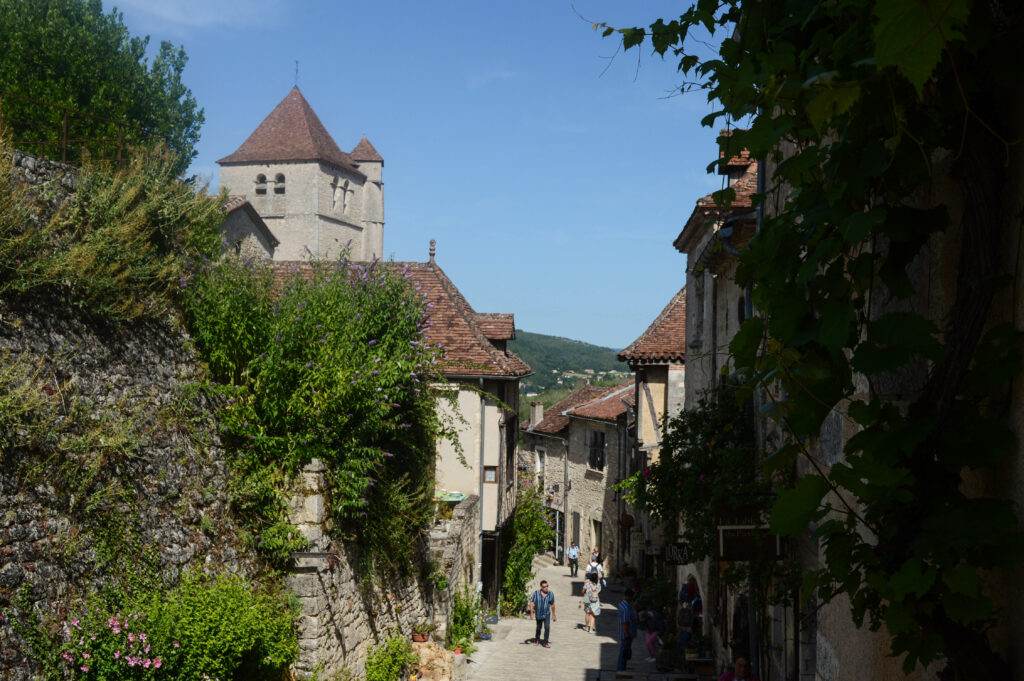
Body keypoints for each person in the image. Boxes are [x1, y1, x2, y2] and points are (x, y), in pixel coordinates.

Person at [528, 580, 557, 647]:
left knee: (547, 627)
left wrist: (553, 614)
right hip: (539, 613)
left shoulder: (550, 594)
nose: (546, 588)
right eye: (544, 587)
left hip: (547, 613)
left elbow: (552, 604)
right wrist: (531, 613)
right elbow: (532, 603)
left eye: (547, 586)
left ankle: (545, 642)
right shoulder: (536, 593)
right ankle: (537, 639)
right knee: (538, 628)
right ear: (541, 587)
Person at [616, 588, 638, 671]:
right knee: (624, 651)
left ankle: (622, 667)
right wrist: (627, 635)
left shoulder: (623, 605)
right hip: (626, 634)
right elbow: (625, 623)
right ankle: (621, 668)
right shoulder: (626, 608)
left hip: (626, 633)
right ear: (629, 597)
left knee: (625, 651)